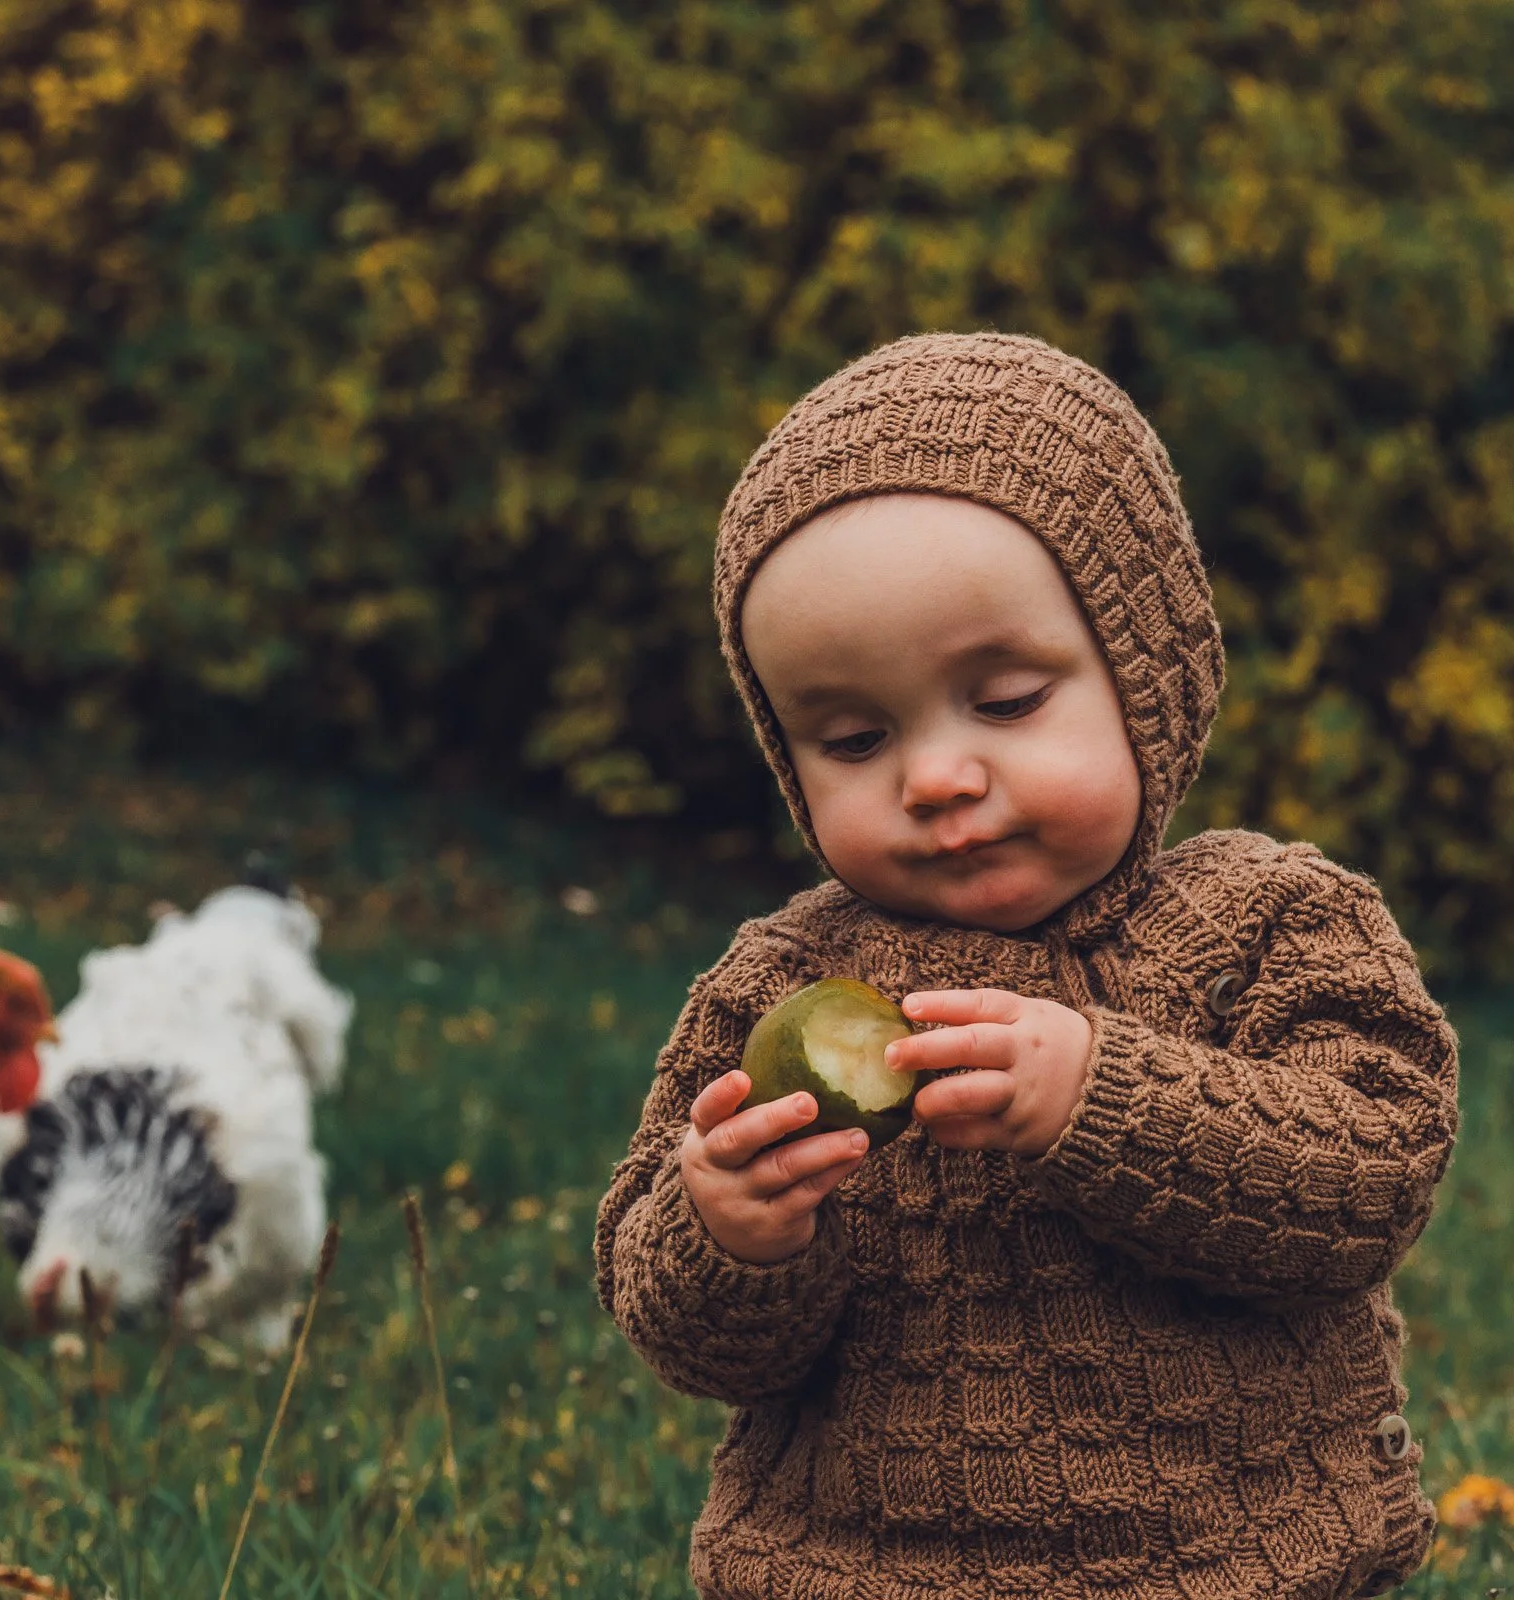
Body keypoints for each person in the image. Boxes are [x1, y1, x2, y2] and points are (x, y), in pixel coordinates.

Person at [594, 332, 1457, 1599]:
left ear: (1143, 674)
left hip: (1237, 1560)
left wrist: (1097, 1097)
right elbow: (684, 1326)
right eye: (850, 735)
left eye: (1002, 702)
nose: (934, 776)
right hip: (860, 1570)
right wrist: (731, 1232)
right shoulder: (776, 981)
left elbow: (1369, 1175)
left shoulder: (1266, 924)